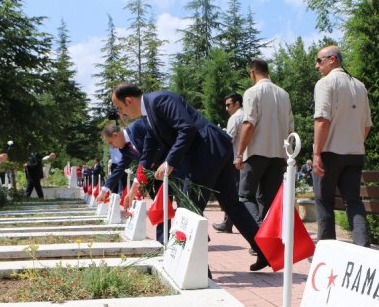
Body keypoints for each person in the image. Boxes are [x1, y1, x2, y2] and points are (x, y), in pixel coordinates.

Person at [112, 83, 269, 271]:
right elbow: (149, 148)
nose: (123, 114)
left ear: (129, 101)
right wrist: (138, 182)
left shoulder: (161, 100)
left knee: (188, 208)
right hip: (211, 153)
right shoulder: (148, 116)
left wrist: (170, 162)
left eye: (121, 108)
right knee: (231, 204)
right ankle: (264, 251)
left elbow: (186, 128)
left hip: (208, 151)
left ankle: (199, 269)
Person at [312, 45, 372, 247]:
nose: (316, 66)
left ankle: (326, 250)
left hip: (330, 152)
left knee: (323, 200)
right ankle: (363, 248)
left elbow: (322, 120)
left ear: (332, 60)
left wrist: (317, 153)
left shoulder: (325, 83)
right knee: (353, 201)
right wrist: (355, 142)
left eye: (319, 61)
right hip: (355, 153)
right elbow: (367, 125)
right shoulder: (360, 86)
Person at [235, 59, 295, 225]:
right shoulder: (284, 94)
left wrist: (239, 153)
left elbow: (249, 124)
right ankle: (265, 243)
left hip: (256, 153)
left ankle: (258, 229)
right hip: (278, 155)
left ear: (252, 73)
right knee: (268, 200)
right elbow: (291, 130)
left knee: (245, 196)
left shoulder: (252, 92)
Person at [213, 93, 244, 234]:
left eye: (228, 105)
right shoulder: (248, 115)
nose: (226, 108)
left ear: (237, 104)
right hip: (247, 158)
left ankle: (228, 223)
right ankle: (228, 223)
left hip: (235, 159)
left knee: (232, 192)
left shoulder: (235, 117)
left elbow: (228, 139)